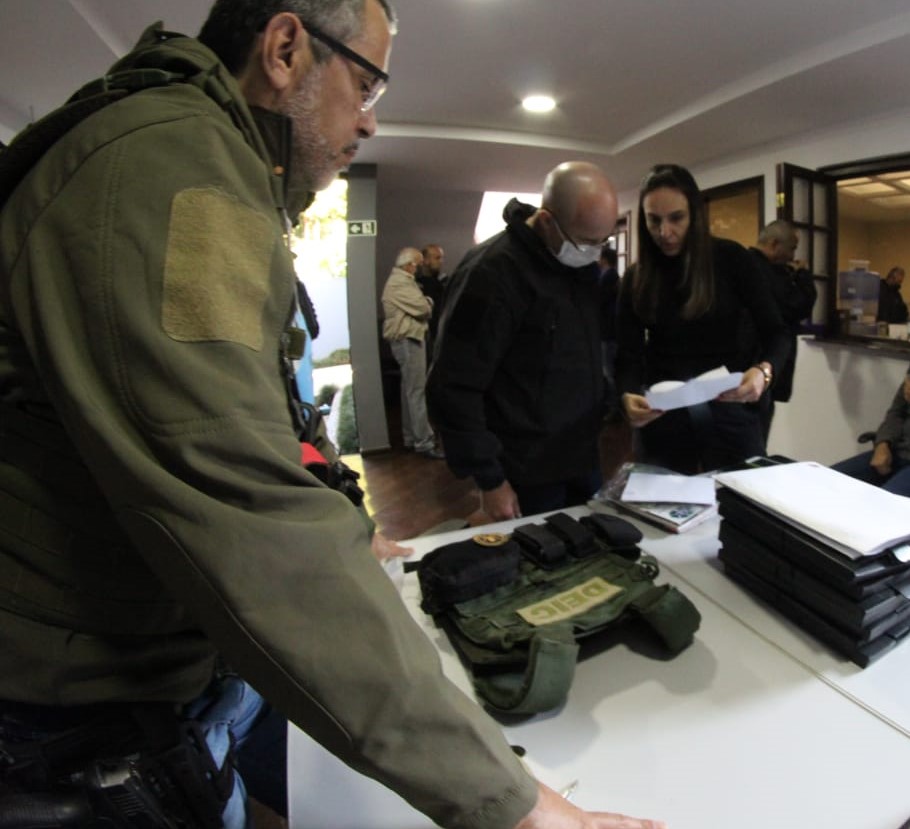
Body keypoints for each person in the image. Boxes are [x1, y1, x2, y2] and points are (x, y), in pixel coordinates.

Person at [0, 1, 668, 828]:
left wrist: (350, 522)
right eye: (366, 84)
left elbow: (264, 417)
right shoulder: (173, 168)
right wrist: (516, 804)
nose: (371, 119)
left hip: (147, 675)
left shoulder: (204, 164)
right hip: (84, 713)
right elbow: (248, 515)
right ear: (285, 48)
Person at [427, 161, 619, 520]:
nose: (594, 253)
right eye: (586, 242)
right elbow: (453, 385)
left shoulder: (576, 266)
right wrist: (490, 479)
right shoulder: (491, 273)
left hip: (580, 455)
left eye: (602, 242)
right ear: (546, 221)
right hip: (525, 470)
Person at [616, 163, 790, 474]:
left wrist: (764, 372)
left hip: (731, 410)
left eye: (676, 218)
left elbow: (778, 332)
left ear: (695, 214)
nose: (665, 232)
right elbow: (627, 354)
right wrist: (626, 394)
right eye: (654, 220)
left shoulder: (732, 259)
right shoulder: (636, 278)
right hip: (663, 416)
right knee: (661, 501)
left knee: (740, 497)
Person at [748, 220, 818, 441]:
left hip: (745, 363)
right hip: (763, 363)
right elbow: (798, 306)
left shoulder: (744, 266)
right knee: (756, 437)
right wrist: (803, 275)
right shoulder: (770, 274)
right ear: (774, 244)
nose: (792, 255)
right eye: (791, 248)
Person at [381, 246, 444, 458]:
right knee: (417, 391)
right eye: (418, 264)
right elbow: (423, 309)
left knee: (409, 390)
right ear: (409, 265)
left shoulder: (402, 281)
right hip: (408, 339)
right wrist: (429, 301)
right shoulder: (400, 282)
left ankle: (411, 438)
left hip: (408, 339)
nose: (419, 268)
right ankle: (424, 442)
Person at [831, 366, 910, 496]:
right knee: (828, 479)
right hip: (896, 451)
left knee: (881, 502)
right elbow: (896, 414)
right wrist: (883, 444)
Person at [416, 242, 447, 355]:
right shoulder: (416, 286)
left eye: (441, 258)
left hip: (442, 336)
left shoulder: (444, 283)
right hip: (426, 338)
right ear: (425, 260)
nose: (441, 261)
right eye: (437, 258)